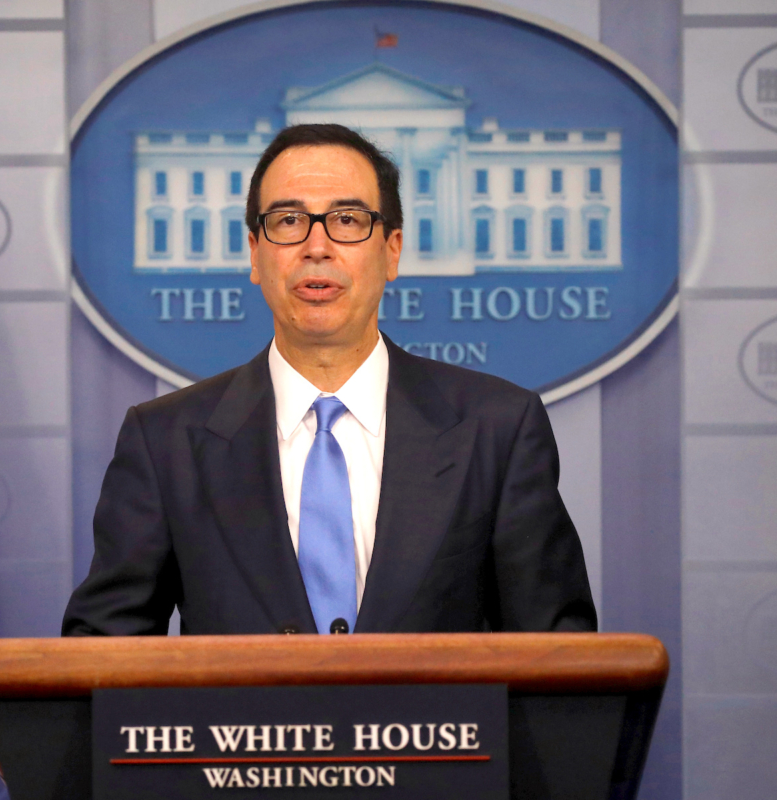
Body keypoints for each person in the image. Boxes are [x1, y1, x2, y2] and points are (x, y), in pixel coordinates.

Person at [62, 124, 596, 636]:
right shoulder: (166, 441)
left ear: (391, 251)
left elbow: (557, 657)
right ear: (254, 253)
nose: (317, 246)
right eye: (289, 222)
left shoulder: (497, 429)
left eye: (347, 220)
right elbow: (104, 659)